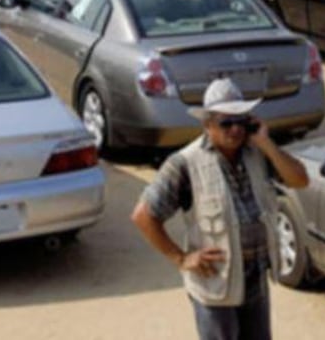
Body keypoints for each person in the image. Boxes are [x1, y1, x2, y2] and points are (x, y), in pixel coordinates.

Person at [131, 78, 309, 340]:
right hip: (215, 288)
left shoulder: (257, 153)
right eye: (226, 122)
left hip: (256, 282)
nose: (235, 129)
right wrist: (181, 259)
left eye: (242, 120)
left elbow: (299, 180)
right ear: (207, 124)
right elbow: (143, 215)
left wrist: (266, 143)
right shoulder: (184, 163)